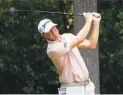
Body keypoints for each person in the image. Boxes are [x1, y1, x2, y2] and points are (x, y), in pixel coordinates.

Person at [37, 12, 101, 95]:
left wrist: (96, 22)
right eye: (48, 31)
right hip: (71, 89)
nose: (53, 31)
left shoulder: (67, 37)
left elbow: (91, 44)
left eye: (52, 27)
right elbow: (79, 39)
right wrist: (88, 21)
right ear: (43, 35)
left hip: (87, 87)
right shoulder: (52, 49)